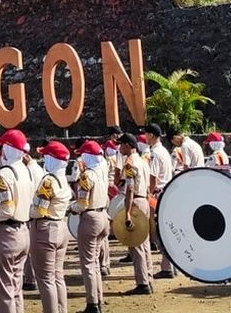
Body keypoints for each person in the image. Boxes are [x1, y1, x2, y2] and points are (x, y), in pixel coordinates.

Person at [0, 129, 34, 313]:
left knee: (4, 289)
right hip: (23, 230)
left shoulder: (5, 173)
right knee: (15, 287)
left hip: (7, 232)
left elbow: (6, 209)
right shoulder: (26, 170)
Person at [29, 141, 71, 313]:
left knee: (45, 279)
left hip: (45, 227)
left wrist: (27, 211)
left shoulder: (48, 181)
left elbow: (39, 210)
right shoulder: (63, 179)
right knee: (57, 276)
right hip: (60, 225)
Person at [69, 140, 108, 313]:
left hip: (90, 217)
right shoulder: (101, 172)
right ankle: (98, 299)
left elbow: (82, 203)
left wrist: (71, 208)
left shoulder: (87, 176)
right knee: (95, 263)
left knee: (88, 264)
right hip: (102, 216)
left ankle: (92, 303)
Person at [116, 133, 154, 294]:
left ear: (129, 145)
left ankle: (142, 282)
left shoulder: (130, 163)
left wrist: (128, 214)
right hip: (144, 200)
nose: (120, 147)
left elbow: (130, 188)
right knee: (144, 243)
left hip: (136, 202)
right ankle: (148, 278)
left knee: (135, 243)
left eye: (122, 144)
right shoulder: (143, 161)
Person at [142, 125, 175, 281]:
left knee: (159, 232)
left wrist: (148, 194)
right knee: (164, 230)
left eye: (146, 134)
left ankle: (167, 267)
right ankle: (170, 266)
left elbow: (153, 177)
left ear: (151, 135)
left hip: (157, 194)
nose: (145, 137)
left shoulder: (155, 153)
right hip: (166, 192)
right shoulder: (164, 151)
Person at [21, 149, 46, 291]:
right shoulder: (37, 169)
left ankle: (30, 278)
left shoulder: (29, 171)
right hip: (36, 211)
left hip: (31, 211)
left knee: (29, 248)